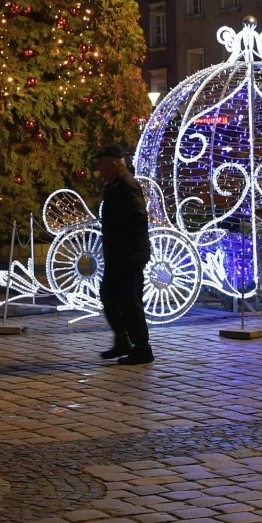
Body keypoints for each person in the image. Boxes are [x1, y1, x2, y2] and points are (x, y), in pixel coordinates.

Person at [95, 144, 153, 366]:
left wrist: (134, 250)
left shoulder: (126, 183)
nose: (98, 169)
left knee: (130, 302)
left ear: (113, 164)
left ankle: (142, 348)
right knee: (110, 296)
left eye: (101, 164)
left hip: (128, 255)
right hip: (119, 254)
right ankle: (123, 340)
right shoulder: (116, 183)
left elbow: (139, 218)